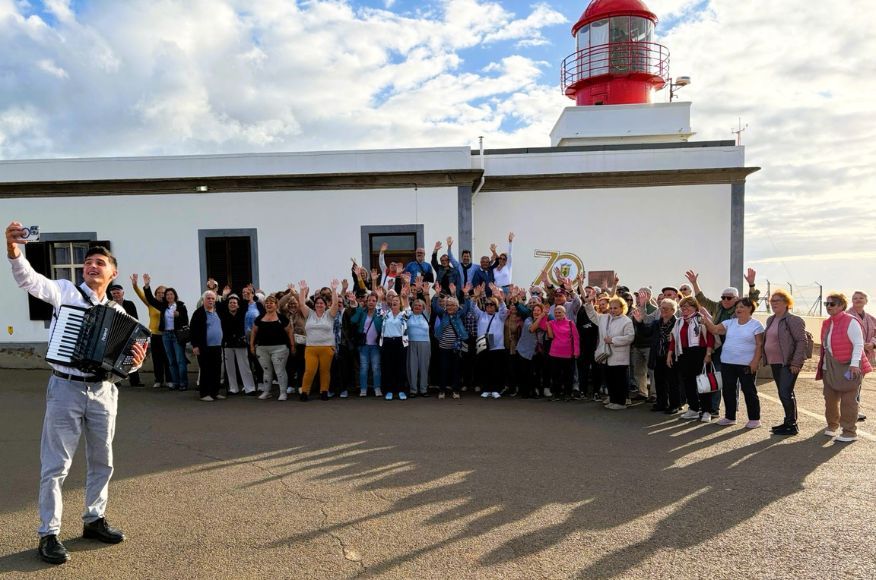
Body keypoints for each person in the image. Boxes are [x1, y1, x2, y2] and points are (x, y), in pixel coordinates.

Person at [6, 221, 147, 565]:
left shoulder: (119, 314)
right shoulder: (66, 292)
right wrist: (13, 250)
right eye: (88, 262)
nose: (91, 266)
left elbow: (125, 365)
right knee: (56, 465)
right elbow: (29, 281)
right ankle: (48, 533)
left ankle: (94, 520)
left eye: (100, 263)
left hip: (103, 392)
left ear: (113, 273)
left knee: (103, 460)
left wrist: (135, 363)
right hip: (65, 387)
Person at [700, 298, 764, 428]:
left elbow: (759, 344)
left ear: (750, 309)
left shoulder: (756, 325)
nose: (738, 309)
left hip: (746, 364)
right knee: (728, 390)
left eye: (742, 307)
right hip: (727, 362)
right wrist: (706, 320)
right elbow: (715, 330)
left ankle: (755, 419)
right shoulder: (729, 323)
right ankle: (730, 417)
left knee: (749, 390)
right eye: (737, 307)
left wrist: (755, 361)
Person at [816, 293, 872, 442]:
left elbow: (858, 344)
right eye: (826, 304)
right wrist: (823, 366)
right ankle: (832, 425)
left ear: (841, 306)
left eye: (832, 304)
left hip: (849, 366)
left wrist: (854, 364)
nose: (828, 307)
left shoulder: (850, 321)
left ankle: (849, 432)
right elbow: (825, 346)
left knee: (848, 401)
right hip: (830, 367)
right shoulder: (827, 323)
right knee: (830, 398)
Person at [762, 289, 808, 435]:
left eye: (777, 301)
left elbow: (802, 342)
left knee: (785, 393)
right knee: (785, 393)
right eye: (772, 301)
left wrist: (796, 363)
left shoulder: (793, 320)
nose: (774, 303)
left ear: (787, 303)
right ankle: (789, 422)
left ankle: (791, 425)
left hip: (788, 363)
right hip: (775, 362)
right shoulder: (771, 319)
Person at [668, 296, 715, 422]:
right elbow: (673, 339)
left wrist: (708, 354)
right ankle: (693, 409)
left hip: (700, 353)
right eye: (682, 306)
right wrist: (669, 355)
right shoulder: (678, 321)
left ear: (695, 307)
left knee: (703, 383)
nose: (685, 308)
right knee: (688, 383)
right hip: (683, 353)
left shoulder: (701, 319)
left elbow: (710, 337)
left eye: (688, 306)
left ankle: (706, 411)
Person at [584, 296, 635, 410]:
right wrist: (588, 303)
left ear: (622, 308)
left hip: (619, 356)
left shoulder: (626, 321)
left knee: (619, 380)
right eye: (611, 308)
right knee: (610, 379)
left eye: (615, 308)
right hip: (606, 356)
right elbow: (592, 315)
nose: (612, 310)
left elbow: (630, 337)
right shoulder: (604, 318)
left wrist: (613, 340)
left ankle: (621, 402)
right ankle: (613, 400)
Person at [143, 275, 189, 391]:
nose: (168, 296)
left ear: (175, 296)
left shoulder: (181, 306)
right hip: (166, 335)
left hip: (177, 335)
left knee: (180, 360)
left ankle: (183, 383)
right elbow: (150, 299)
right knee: (171, 361)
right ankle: (175, 382)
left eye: (171, 294)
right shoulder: (163, 306)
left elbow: (186, 321)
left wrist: (179, 315)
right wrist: (147, 286)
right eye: (167, 295)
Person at [298, 280, 339, 401]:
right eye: (317, 303)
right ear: (314, 305)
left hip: (327, 348)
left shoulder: (329, 315)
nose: (319, 305)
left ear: (326, 305)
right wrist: (302, 290)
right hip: (311, 348)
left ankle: (324, 391)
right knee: (309, 371)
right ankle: (305, 392)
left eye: (322, 303)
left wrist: (334, 290)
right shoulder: (309, 314)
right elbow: (301, 304)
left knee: (325, 371)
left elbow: (335, 305)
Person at [250, 295, 295, 401]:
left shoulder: (282, 318)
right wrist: (251, 345)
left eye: (271, 303)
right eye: (267, 303)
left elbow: (290, 332)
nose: (268, 304)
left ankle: (283, 393)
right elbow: (254, 332)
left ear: (276, 305)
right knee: (266, 371)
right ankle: (267, 392)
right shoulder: (259, 318)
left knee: (280, 370)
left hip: (280, 348)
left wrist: (292, 346)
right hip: (262, 349)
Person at [471, 284, 510, 398]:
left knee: (496, 369)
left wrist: (500, 299)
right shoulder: (480, 315)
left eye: (492, 305)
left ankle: (495, 389)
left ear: (495, 306)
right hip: (483, 344)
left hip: (497, 346)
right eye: (487, 304)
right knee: (484, 367)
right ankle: (486, 389)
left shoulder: (500, 316)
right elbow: (473, 307)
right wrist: (475, 297)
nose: (489, 306)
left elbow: (504, 310)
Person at [131, 273, 169, 388]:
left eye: (163, 293)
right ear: (155, 294)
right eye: (159, 293)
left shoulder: (169, 306)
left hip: (167, 335)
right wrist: (135, 285)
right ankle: (158, 380)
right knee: (157, 359)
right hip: (155, 335)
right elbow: (141, 295)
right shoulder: (151, 303)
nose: (161, 295)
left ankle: (169, 380)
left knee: (167, 359)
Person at [431, 288, 471, 399]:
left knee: (456, 370)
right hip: (443, 347)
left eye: (452, 305)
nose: (450, 307)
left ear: (457, 306)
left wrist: (466, 294)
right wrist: (437, 294)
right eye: (448, 305)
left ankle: (456, 391)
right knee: (443, 369)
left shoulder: (459, 314)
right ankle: (442, 390)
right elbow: (435, 306)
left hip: (456, 348)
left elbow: (467, 307)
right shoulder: (443, 314)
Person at [646, 299, 681, 413]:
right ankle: (661, 403)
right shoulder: (657, 323)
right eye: (662, 307)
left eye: (666, 308)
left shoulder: (678, 323)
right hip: (658, 356)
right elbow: (645, 333)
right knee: (659, 381)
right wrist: (639, 321)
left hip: (671, 357)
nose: (663, 310)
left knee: (672, 382)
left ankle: (674, 405)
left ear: (673, 310)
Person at [190, 290, 225, 402]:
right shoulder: (199, 313)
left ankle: (214, 392)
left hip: (217, 346)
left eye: (212, 298)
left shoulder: (217, 311)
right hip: (204, 346)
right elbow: (193, 330)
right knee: (205, 370)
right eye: (208, 298)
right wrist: (195, 345)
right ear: (203, 300)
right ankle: (204, 393)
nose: (210, 300)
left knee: (216, 370)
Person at [218, 293, 256, 395]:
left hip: (240, 342)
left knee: (244, 366)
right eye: (230, 303)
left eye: (235, 303)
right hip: (228, 343)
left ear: (238, 305)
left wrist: (247, 295)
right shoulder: (223, 313)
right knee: (229, 367)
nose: (232, 304)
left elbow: (245, 303)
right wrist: (225, 296)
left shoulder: (242, 312)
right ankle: (233, 388)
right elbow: (219, 305)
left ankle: (250, 388)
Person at [542, 304, 581, 401]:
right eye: (556, 312)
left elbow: (576, 338)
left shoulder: (570, 323)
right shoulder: (551, 323)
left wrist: (576, 351)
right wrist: (545, 314)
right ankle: (557, 394)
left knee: (568, 375)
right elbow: (542, 326)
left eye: (559, 312)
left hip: (568, 354)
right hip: (554, 354)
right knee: (556, 376)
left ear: (564, 313)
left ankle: (568, 393)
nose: (557, 314)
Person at [848, 290, 875, 422]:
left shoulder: (871, 318)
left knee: (857, 384)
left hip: (865, 357)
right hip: (850, 356)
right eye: (855, 298)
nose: (858, 300)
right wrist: (861, 344)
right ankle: (849, 411)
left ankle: (854, 410)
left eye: (861, 298)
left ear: (866, 301)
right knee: (849, 384)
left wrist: (872, 344)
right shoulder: (846, 316)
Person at [380, 283, 410, 400]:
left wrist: (404, 297)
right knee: (388, 367)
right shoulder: (386, 314)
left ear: (400, 303)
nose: (395, 301)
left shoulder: (403, 315)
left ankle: (401, 390)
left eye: (397, 300)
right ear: (390, 303)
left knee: (400, 367)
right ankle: (389, 391)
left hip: (400, 342)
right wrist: (379, 298)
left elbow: (408, 311)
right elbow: (378, 311)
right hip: (387, 342)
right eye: (393, 299)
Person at [108, 283, 142, 387]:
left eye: (118, 293)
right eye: (114, 294)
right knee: (114, 357)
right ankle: (116, 381)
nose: (116, 295)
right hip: (114, 334)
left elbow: (135, 318)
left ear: (123, 293)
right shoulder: (109, 305)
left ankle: (135, 381)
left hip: (129, 333)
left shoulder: (129, 304)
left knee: (131, 356)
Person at [351, 292, 384, 397]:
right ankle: (363, 389)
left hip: (375, 345)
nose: (371, 302)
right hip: (363, 345)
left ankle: (377, 388)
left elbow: (382, 326)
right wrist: (360, 308)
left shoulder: (380, 313)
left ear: (376, 302)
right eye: (369, 300)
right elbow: (353, 320)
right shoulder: (362, 312)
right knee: (364, 368)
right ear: (366, 301)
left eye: (374, 301)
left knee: (376, 368)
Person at [406, 284, 432, 398]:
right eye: (415, 305)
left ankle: (423, 389)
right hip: (411, 343)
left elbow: (429, 305)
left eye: (420, 305)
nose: (417, 306)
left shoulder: (426, 315)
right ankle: (413, 390)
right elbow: (405, 302)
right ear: (412, 306)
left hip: (425, 343)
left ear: (423, 307)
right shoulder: (409, 314)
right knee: (412, 366)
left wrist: (426, 294)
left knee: (424, 366)